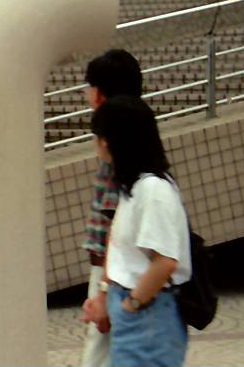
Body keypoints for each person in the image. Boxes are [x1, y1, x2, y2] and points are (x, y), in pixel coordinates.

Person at [81, 96, 192, 367]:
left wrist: (131, 305)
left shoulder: (153, 190)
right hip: (136, 310)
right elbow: (119, 246)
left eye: (97, 137)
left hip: (149, 315)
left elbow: (165, 260)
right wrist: (106, 295)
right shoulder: (134, 186)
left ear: (109, 140)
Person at [79, 50, 144, 367]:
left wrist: (104, 290)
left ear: (101, 93)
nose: (86, 93)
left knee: (101, 351)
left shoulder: (116, 145)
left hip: (113, 268)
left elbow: (112, 220)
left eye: (89, 85)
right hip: (120, 267)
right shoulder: (138, 137)